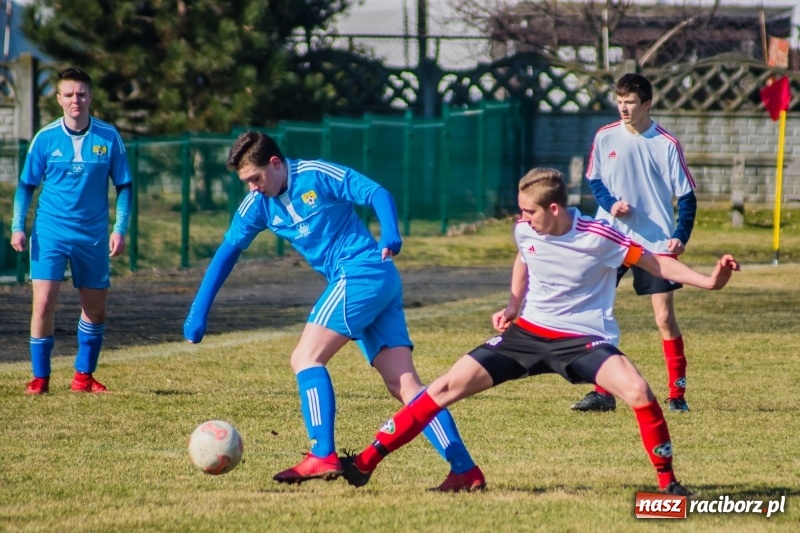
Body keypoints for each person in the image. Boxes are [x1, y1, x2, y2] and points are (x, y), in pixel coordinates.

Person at [339, 168, 738, 495]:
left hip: (583, 339)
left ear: (554, 208)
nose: (522, 219)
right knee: (442, 388)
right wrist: (514, 303)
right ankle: (362, 464)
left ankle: (669, 485)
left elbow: (658, 265)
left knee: (638, 392)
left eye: (529, 211)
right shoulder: (526, 230)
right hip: (527, 333)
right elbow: (524, 257)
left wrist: (711, 281)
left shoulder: (600, 237)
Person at [183, 131, 484, 491]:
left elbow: (376, 192)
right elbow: (227, 253)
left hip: (361, 273)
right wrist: (198, 312)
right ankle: (464, 469)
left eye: (255, 178)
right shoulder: (257, 205)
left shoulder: (315, 174)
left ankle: (322, 453)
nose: (252, 188)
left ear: (275, 164)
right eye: (246, 182)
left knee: (305, 358)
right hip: (372, 281)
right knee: (405, 385)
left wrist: (389, 231)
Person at [572, 73, 698, 413]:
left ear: (647, 104)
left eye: (630, 102)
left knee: (663, 317)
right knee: (598, 313)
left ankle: (677, 395)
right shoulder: (604, 136)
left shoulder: (666, 144)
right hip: (610, 239)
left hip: (654, 242)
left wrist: (680, 236)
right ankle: (602, 393)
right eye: (620, 101)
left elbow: (687, 197)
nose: (624, 108)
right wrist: (611, 204)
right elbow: (595, 180)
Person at [10, 67, 133, 395]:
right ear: (59, 99)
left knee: (95, 309)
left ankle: (83, 377)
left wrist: (120, 229)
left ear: (90, 97)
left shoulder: (108, 137)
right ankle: (40, 378)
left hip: (92, 235)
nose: (75, 100)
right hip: (50, 232)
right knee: (43, 304)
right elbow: (25, 187)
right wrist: (17, 227)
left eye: (81, 94)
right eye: (69, 94)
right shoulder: (45, 139)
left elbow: (124, 187)